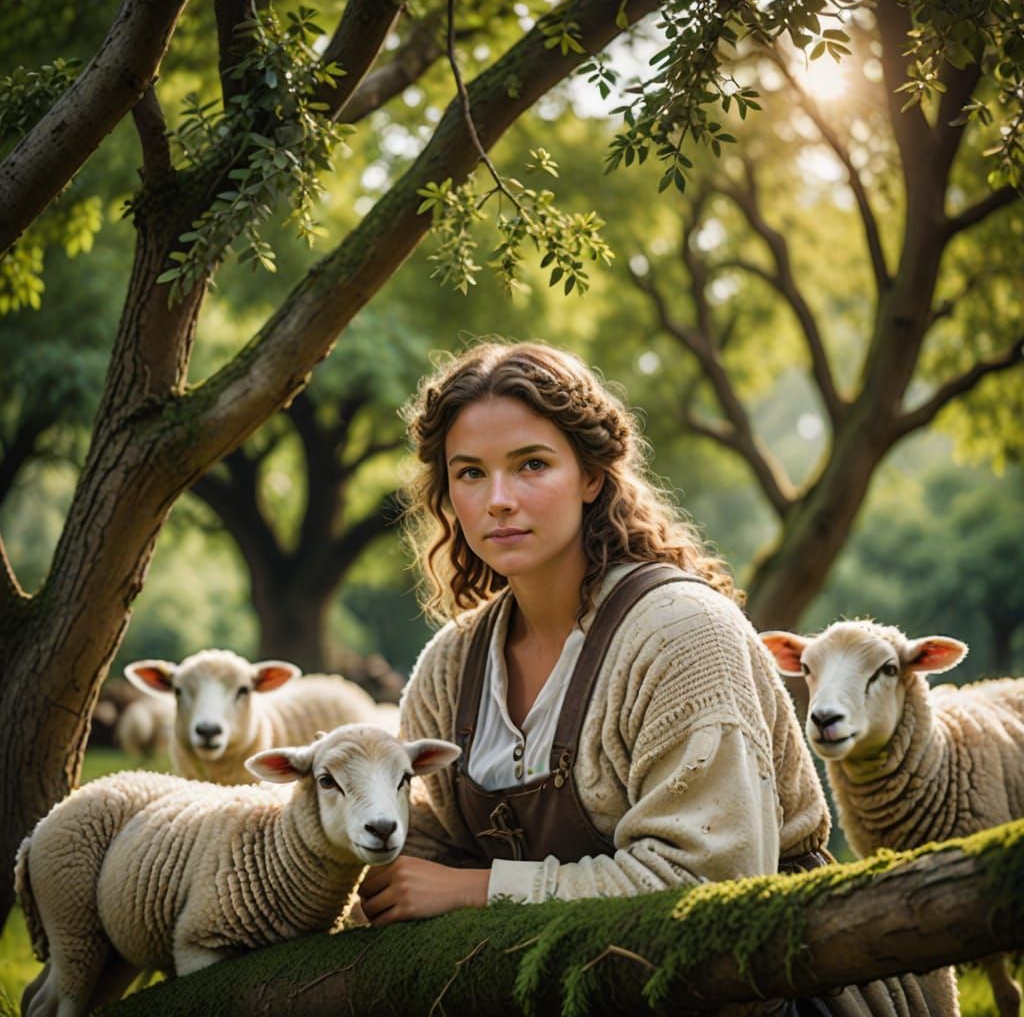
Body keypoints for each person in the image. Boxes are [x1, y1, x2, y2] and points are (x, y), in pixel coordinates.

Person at [357, 342, 953, 1015]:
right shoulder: (450, 666)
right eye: (469, 473)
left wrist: (478, 890)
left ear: (590, 476)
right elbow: (413, 870)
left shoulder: (681, 635)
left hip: (771, 993)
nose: (498, 500)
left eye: (531, 465)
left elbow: (705, 888)